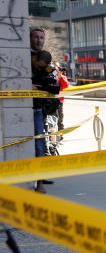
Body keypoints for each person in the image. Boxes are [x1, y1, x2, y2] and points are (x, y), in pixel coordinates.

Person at [31, 51, 60, 193]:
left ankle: (40, 179)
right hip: (29, 109)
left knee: (40, 144)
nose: (39, 68)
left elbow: (55, 87)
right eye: (38, 65)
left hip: (38, 109)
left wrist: (40, 87)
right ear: (34, 58)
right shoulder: (28, 67)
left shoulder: (48, 70)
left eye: (42, 66)